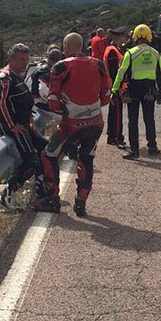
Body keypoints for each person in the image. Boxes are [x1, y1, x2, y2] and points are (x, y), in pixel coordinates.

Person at [37, 32, 110, 217]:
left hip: (71, 124)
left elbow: (53, 100)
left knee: (49, 154)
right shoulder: (98, 64)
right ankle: (81, 202)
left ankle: (52, 199)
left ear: (66, 46)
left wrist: (68, 109)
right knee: (87, 159)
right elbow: (106, 97)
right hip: (95, 123)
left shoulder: (61, 67)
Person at [0, 43, 47, 211]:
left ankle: (42, 189)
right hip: (16, 127)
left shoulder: (17, 76)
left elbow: (23, 101)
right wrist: (11, 126)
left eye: (27, 59)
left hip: (24, 124)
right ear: (12, 59)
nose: (25, 63)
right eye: (22, 59)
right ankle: (8, 193)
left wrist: (29, 117)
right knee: (33, 161)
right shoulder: (5, 77)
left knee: (46, 150)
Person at [111, 24, 161, 160]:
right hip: (150, 89)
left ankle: (134, 151)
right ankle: (152, 147)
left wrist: (115, 89)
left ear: (134, 36)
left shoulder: (130, 53)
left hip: (133, 89)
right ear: (149, 36)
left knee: (133, 120)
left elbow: (121, 73)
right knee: (149, 119)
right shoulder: (155, 53)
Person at [103, 26, 128, 149]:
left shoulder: (114, 48)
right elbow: (114, 71)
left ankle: (111, 135)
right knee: (117, 114)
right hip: (115, 86)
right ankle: (117, 137)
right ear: (120, 37)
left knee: (113, 112)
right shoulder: (113, 50)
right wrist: (118, 87)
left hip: (113, 86)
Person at [30, 45, 64, 112]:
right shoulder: (44, 73)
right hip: (40, 104)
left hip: (41, 101)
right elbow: (44, 91)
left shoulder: (38, 69)